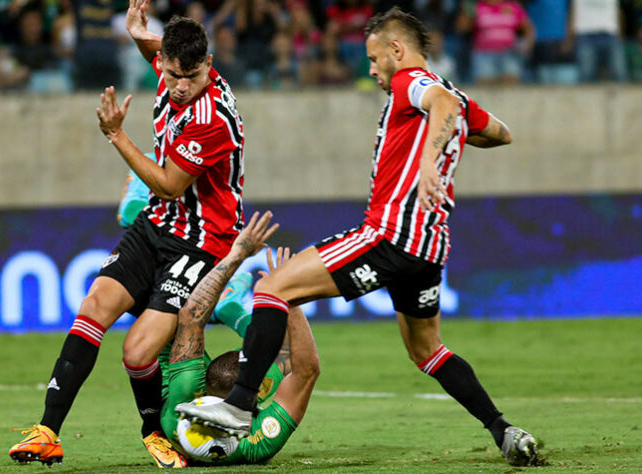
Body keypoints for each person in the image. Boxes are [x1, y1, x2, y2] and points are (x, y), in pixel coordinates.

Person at [178, 7, 541, 467]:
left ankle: (239, 404)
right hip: (429, 247)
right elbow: (501, 133)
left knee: (272, 288)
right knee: (426, 350)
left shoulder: (414, 82)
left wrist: (429, 161)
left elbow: (444, 109)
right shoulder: (454, 98)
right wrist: (450, 135)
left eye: (374, 58)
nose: (371, 69)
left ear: (396, 50)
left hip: (390, 233)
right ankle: (503, 429)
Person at [9, 4, 246, 466]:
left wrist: (117, 136)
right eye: (174, 74)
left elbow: (168, 183)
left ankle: (154, 431)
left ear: (209, 66)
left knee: (137, 351)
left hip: (202, 241)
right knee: (94, 306)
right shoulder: (171, 68)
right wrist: (139, 33)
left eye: (192, 77)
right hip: (158, 224)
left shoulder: (211, 117)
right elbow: (158, 51)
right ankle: (47, 431)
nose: (181, 86)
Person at [170, 244, 319, 465]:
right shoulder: (255, 446)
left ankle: (223, 309)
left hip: (174, 369)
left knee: (171, 327)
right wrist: (289, 295)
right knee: (285, 351)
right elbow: (307, 369)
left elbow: (185, 320)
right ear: (257, 390)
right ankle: (231, 311)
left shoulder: (178, 404)